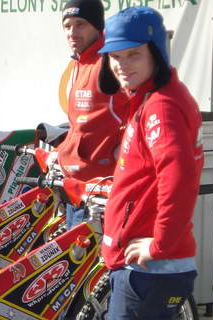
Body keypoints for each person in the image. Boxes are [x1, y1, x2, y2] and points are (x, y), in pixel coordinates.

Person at [60, 6, 204, 320]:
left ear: (157, 53)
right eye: (116, 57)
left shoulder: (160, 105)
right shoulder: (146, 99)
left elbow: (179, 177)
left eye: (133, 55)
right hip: (134, 264)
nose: (122, 65)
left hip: (151, 269)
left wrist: (159, 243)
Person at [56, 0, 129, 229]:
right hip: (76, 188)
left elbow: (138, 110)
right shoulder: (80, 62)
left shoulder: (110, 61)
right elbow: (82, 124)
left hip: (102, 192)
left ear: (97, 26)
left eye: (80, 24)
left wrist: (122, 150)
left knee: (98, 263)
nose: (72, 32)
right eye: (67, 26)